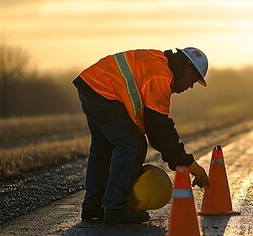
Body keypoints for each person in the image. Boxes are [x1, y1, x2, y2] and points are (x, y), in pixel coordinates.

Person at [73, 47, 211, 224]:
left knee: (104, 146)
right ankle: (115, 207)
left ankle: (93, 205)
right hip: (103, 91)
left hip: (91, 85)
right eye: (193, 80)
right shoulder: (162, 77)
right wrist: (188, 164)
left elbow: (157, 129)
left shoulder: (157, 60)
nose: (190, 86)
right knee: (132, 144)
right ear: (187, 69)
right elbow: (160, 132)